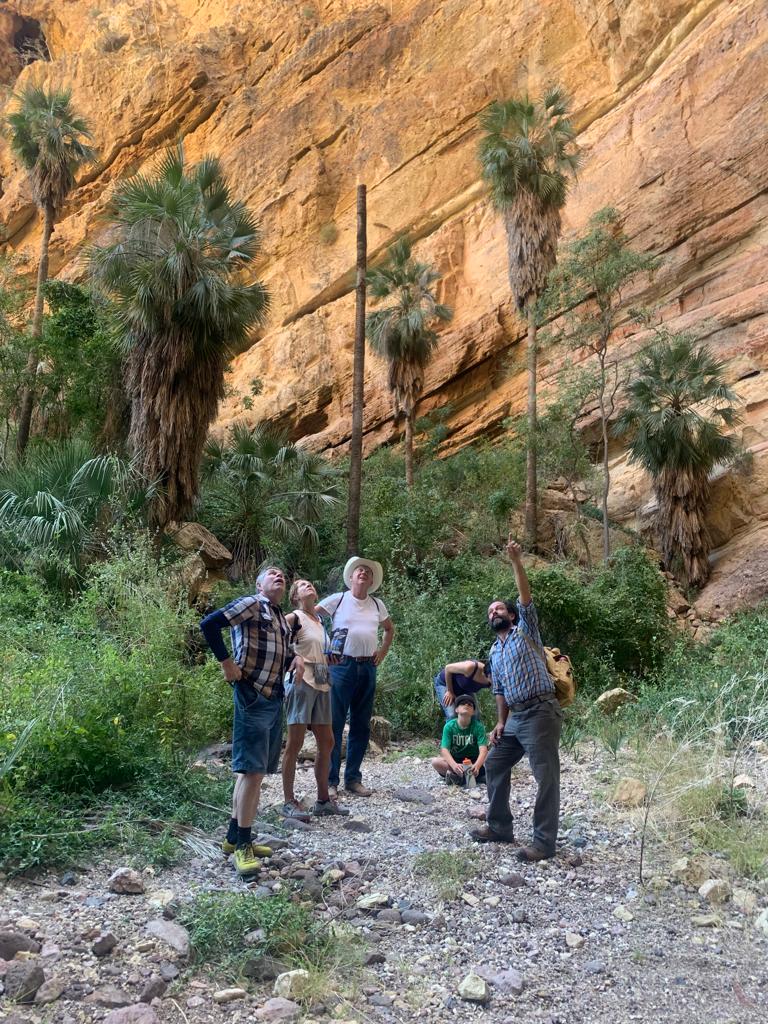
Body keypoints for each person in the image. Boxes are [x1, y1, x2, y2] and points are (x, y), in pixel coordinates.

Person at [200, 566, 303, 877]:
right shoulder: (252, 604)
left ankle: (234, 837)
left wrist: (295, 658)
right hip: (252, 693)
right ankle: (243, 846)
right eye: (271, 573)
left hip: (273, 697)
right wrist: (226, 663)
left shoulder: (279, 618)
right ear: (259, 584)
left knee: (251, 772)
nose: (278, 575)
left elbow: (277, 655)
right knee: (253, 771)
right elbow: (210, 624)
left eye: (281, 574)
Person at [470, 536, 563, 862]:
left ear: (510, 615)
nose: (493, 612)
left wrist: (516, 562)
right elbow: (499, 690)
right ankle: (499, 826)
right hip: (515, 718)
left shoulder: (525, 632)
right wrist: (500, 722)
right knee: (494, 763)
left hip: (540, 712)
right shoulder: (494, 652)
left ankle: (544, 843)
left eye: (498, 608)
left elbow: (525, 598)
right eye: (489, 611)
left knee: (545, 776)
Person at [317, 557, 394, 798]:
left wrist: (382, 651)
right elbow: (312, 616)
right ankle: (330, 781)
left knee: (361, 723)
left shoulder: (377, 604)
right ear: (351, 577)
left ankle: (353, 779)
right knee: (335, 722)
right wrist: (324, 646)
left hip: (368, 666)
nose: (363, 573)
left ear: (371, 581)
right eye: (359, 570)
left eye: (367, 572)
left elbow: (389, 629)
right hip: (341, 665)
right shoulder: (338, 599)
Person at [281, 579, 349, 819]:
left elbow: (318, 652)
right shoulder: (294, 617)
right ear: (295, 596)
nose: (308, 586)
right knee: (295, 742)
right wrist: (293, 656)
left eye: (310, 584)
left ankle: (323, 801)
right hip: (300, 680)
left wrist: (330, 659)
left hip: (321, 678)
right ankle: (288, 801)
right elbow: (277, 639)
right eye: (302, 585)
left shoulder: (319, 621)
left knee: (327, 741)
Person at [431, 694, 488, 785]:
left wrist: (477, 766)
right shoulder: (449, 726)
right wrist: (454, 766)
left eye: (470, 704)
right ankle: (470, 778)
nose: (466, 705)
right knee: (435, 762)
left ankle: (459, 778)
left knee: (490, 759)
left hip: (473, 763)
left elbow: (483, 750)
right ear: (456, 709)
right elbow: (444, 750)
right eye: (462, 703)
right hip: (456, 762)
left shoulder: (478, 727)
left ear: (473, 712)